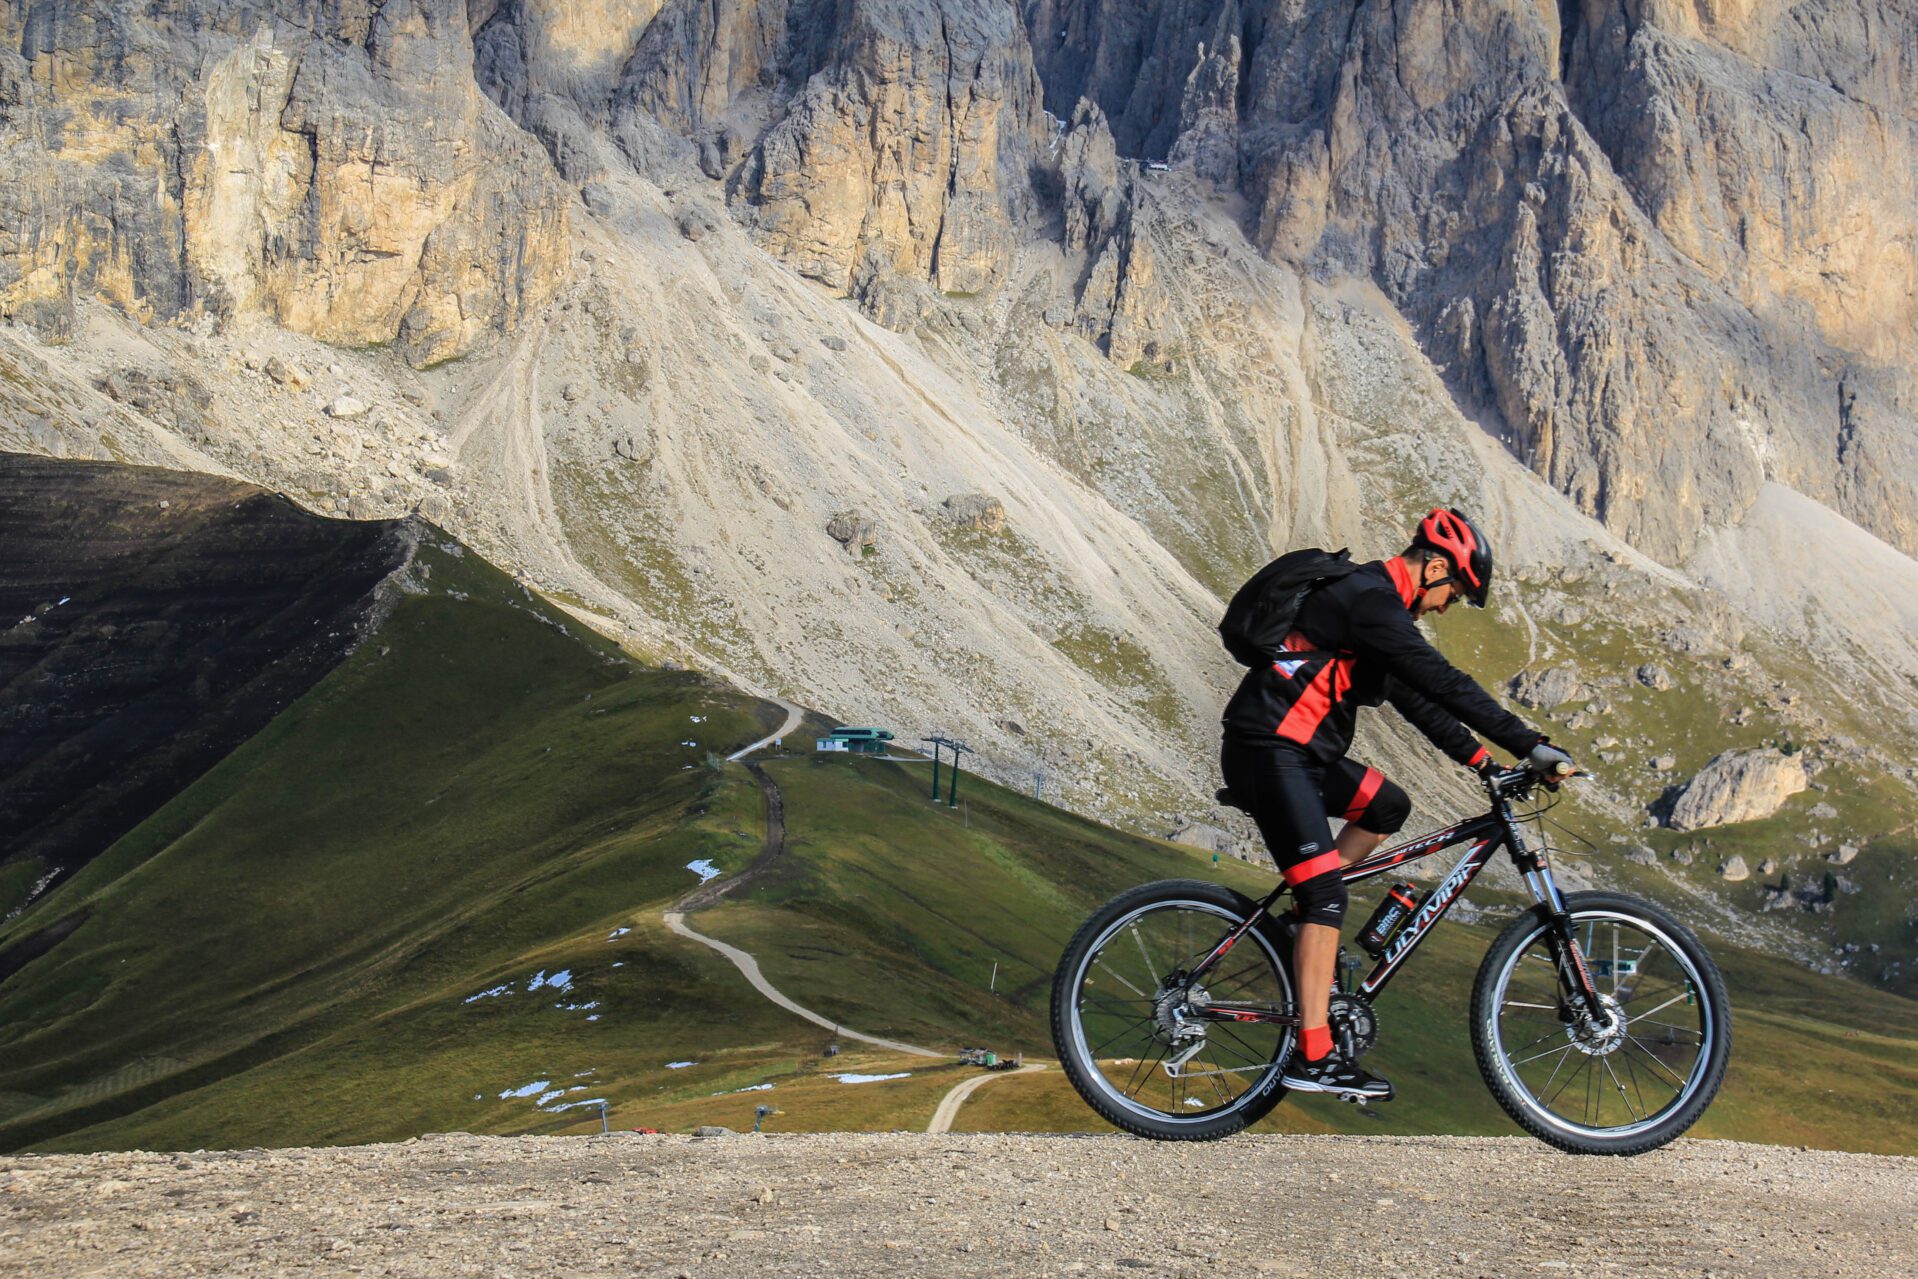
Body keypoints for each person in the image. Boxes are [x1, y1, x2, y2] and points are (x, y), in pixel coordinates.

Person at [1219, 508, 1575, 1100]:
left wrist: (1485, 764)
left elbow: (1420, 702)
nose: (1446, 607)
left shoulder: (1374, 612)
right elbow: (1443, 681)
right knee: (1326, 895)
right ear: (1435, 566)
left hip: (1302, 755)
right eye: (1453, 594)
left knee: (1386, 806)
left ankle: (1298, 930)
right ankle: (1313, 1056)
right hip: (1270, 750)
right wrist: (1530, 744)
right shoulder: (1369, 601)